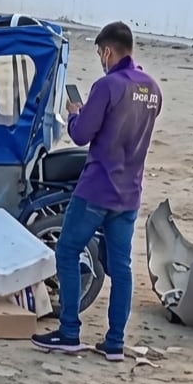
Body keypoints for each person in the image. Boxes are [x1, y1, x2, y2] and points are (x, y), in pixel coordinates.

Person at [32, 21, 162, 362]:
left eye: (100, 55)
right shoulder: (152, 89)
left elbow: (81, 135)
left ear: (107, 52)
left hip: (97, 187)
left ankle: (69, 331)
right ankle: (115, 342)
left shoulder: (107, 86)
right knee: (121, 266)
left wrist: (76, 113)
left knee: (67, 250)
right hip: (129, 192)